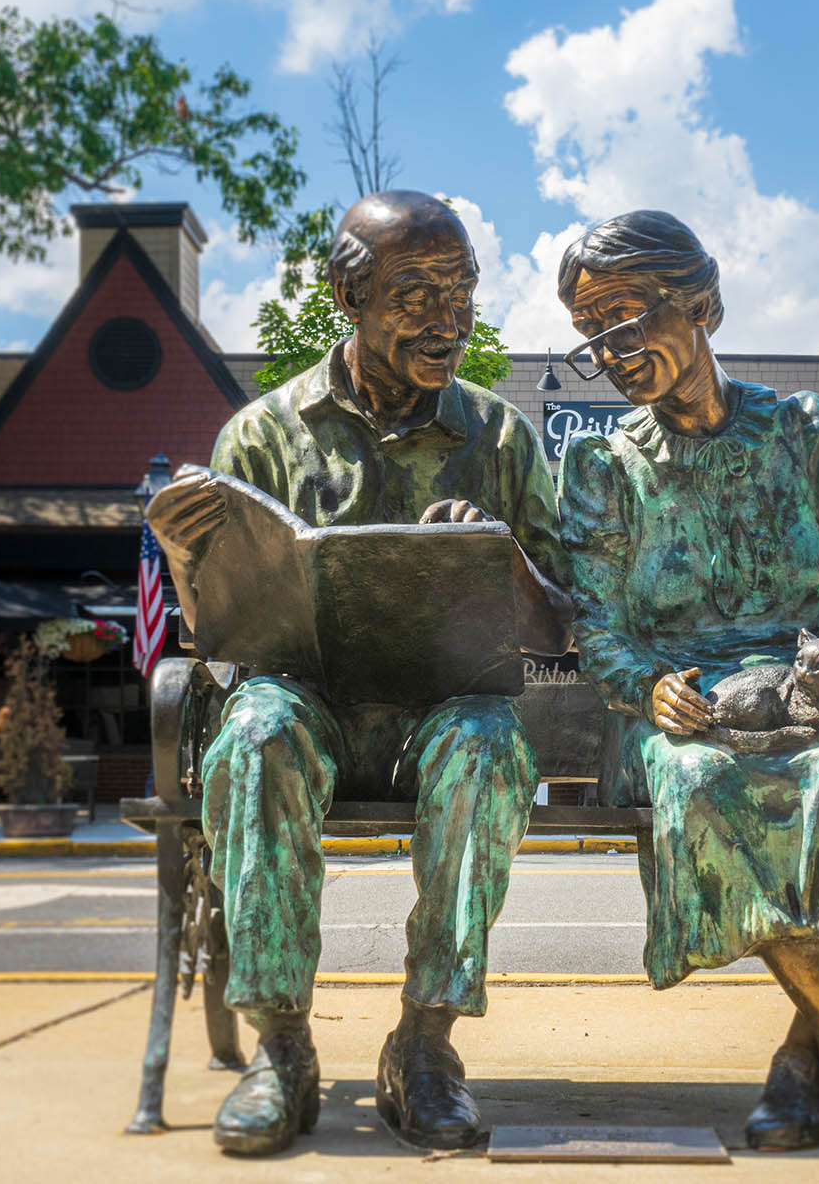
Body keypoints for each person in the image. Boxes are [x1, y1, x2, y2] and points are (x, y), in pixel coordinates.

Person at [554, 211, 819, 1159]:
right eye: (594, 338)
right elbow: (600, 629)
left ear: (701, 303)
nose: (613, 352)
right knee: (704, 784)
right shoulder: (603, 465)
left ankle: (801, 1054)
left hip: (815, 693)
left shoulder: (805, 430)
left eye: (626, 320)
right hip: (685, 712)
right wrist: (650, 684)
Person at [197, 191, 572, 1156]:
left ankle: (426, 1042)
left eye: (463, 291)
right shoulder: (260, 438)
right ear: (347, 297)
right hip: (309, 708)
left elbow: (570, 626)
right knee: (255, 731)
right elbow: (224, 640)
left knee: (491, 744)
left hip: (440, 721)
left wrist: (504, 558)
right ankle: (282, 1048)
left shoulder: (500, 440)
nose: (448, 319)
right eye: (415, 294)